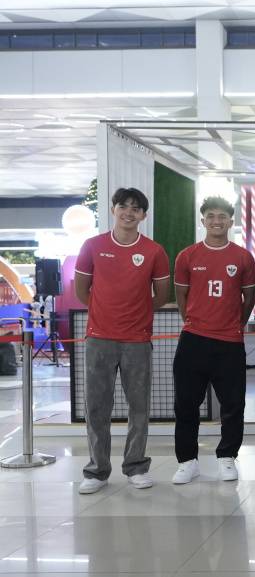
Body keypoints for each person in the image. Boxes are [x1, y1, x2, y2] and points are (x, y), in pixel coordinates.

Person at [74, 188, 170, 493]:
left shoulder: (154, 251)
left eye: (136, 208)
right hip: (99, 340)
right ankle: (96, 471)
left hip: (137, 340)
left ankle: (135, 467)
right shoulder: (92, 246)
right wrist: (105, 314)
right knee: (97, 406)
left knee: (139, 406)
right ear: (113, 209)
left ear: (143, 215)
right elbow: (81, 290)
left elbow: (162, 295)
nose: (129, 213)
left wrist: (138, 314)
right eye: (123, 207)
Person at [170, 197, 255, 484]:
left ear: (231, 221)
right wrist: (194, 320)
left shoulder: (243, 257)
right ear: (203, 220)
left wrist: (234, 325)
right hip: (193, 340)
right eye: (211, 216)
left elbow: (248, 300)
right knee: (186, 404)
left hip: (230, 342)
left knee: (233, 405)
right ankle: (187, 461)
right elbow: (181, 297)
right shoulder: (187, 256)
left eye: (222, 216)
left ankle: (227, 458)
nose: (216, 221)